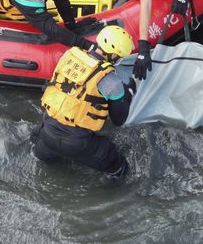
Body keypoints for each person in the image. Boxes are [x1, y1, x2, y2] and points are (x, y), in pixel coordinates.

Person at [30, 25, 136, 179]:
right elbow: (119, 119)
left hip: (47, 134)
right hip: (78, 144)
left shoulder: (68, 56)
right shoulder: (111, 81)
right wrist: (127, 94)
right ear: (113, 56)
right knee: (119, 167)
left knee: (39, 147)